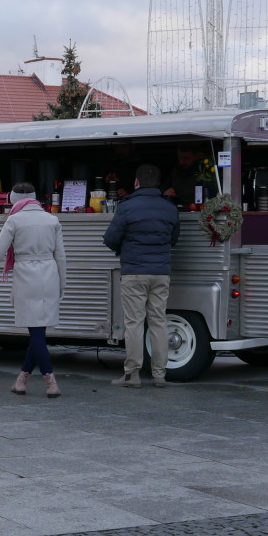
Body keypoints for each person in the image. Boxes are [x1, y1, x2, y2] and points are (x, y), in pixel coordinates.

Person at [0, 182, 66, 398]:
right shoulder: (52, 219)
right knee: (38, 332)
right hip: (49, 274)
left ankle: (51, 382)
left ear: (14, 200)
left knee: (36, 334)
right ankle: (21, 380)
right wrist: (62, 283)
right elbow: (61, 256)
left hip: (26, 277)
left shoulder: (14, 220)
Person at [102, 163, 181, 388]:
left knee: (134, 323)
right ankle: (159, 374)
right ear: (158, 184)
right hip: (160, 273)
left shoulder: (128, 207)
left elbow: (110, 238)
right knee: (158, 321)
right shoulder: (169, 208)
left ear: (136, 183)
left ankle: (132, 375)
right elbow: (174, 239)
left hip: (134, 272)